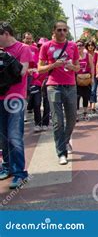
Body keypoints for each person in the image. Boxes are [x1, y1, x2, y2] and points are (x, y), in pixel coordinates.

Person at [38, 21, 80, 165]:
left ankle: (65, 140)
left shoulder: (73, 46)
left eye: (64, 30)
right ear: (54, 31)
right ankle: (61, 153)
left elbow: (78, 67)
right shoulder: (46, 46)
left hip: (71, 86)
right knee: (57, 121)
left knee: (72, 118)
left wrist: (71, 66)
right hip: (53, 86)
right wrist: (54, 65)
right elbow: (40, 68)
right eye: (59, 30)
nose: (62, 33)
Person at [0, 22, 33, 189]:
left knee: (14, 136)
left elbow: (22, 72)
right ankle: (7, 167)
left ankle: (20, 173)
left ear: (6, 34)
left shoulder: (23, 48)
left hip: (15, 97)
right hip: (0, 97)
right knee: (3, 137)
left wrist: (7, 58)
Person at [29, 37, 50, 132]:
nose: (42, 47)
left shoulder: (51, 56)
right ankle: (37, 123)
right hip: (36, 82)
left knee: (47, 103)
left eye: (44, 45)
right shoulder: (34, 54)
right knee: (36, 103)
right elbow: (29, 68)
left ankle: (45, 123)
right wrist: (32, 71)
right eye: (40, 45)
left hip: (48, 81)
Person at [76, 40, 94, 121]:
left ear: (83, 47)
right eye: (77, 45)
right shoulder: (74, 56)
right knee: (76, 97)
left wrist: (93, 78)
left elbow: (92, 67)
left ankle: (85, 113)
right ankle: (76, 114)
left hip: (86, 79)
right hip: (77, 79)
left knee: (86, 96)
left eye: (80, 45)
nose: (79, 47)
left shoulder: (88, 55)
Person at [86, 41, 98, 114]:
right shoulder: (85, 54)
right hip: (87, 76)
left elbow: (97, 64)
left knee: (93, 91)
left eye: (92, 45)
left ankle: (93, 106)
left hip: (94, 75)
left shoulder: (96, 54)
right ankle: (89, 105)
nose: (90, 46)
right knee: (88, 91)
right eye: (89, 45)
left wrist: (97, 73)